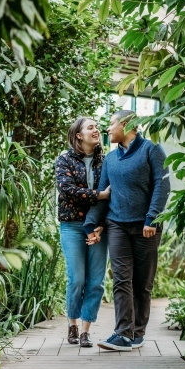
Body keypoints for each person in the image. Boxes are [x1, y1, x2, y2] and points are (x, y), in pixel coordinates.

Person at [83, 110, 170, 351]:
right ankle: (122, 334)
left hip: (146, 227)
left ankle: (137, 332)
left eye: (111, 124)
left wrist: (151, 219)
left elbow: (162, 187)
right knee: (121, 279)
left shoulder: (152, 150)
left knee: (142, 282)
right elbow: (102, 195)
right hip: (117, 225)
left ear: (127, 124)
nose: (107, 129)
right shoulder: (111, 159)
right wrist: (91, 224)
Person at [56, 117, 110, 348]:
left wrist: (101, 225)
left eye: (97, 127)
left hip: (99, 227)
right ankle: (73, 324)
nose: (96, 130)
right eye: (91, 127)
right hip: (72, 226)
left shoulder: (107, 161)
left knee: (96, 282)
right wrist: (99, 195)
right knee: (76, 279)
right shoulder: (64, 159)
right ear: (79, 135)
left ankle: (86, 330)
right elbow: (67, 190)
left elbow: (114, 196)